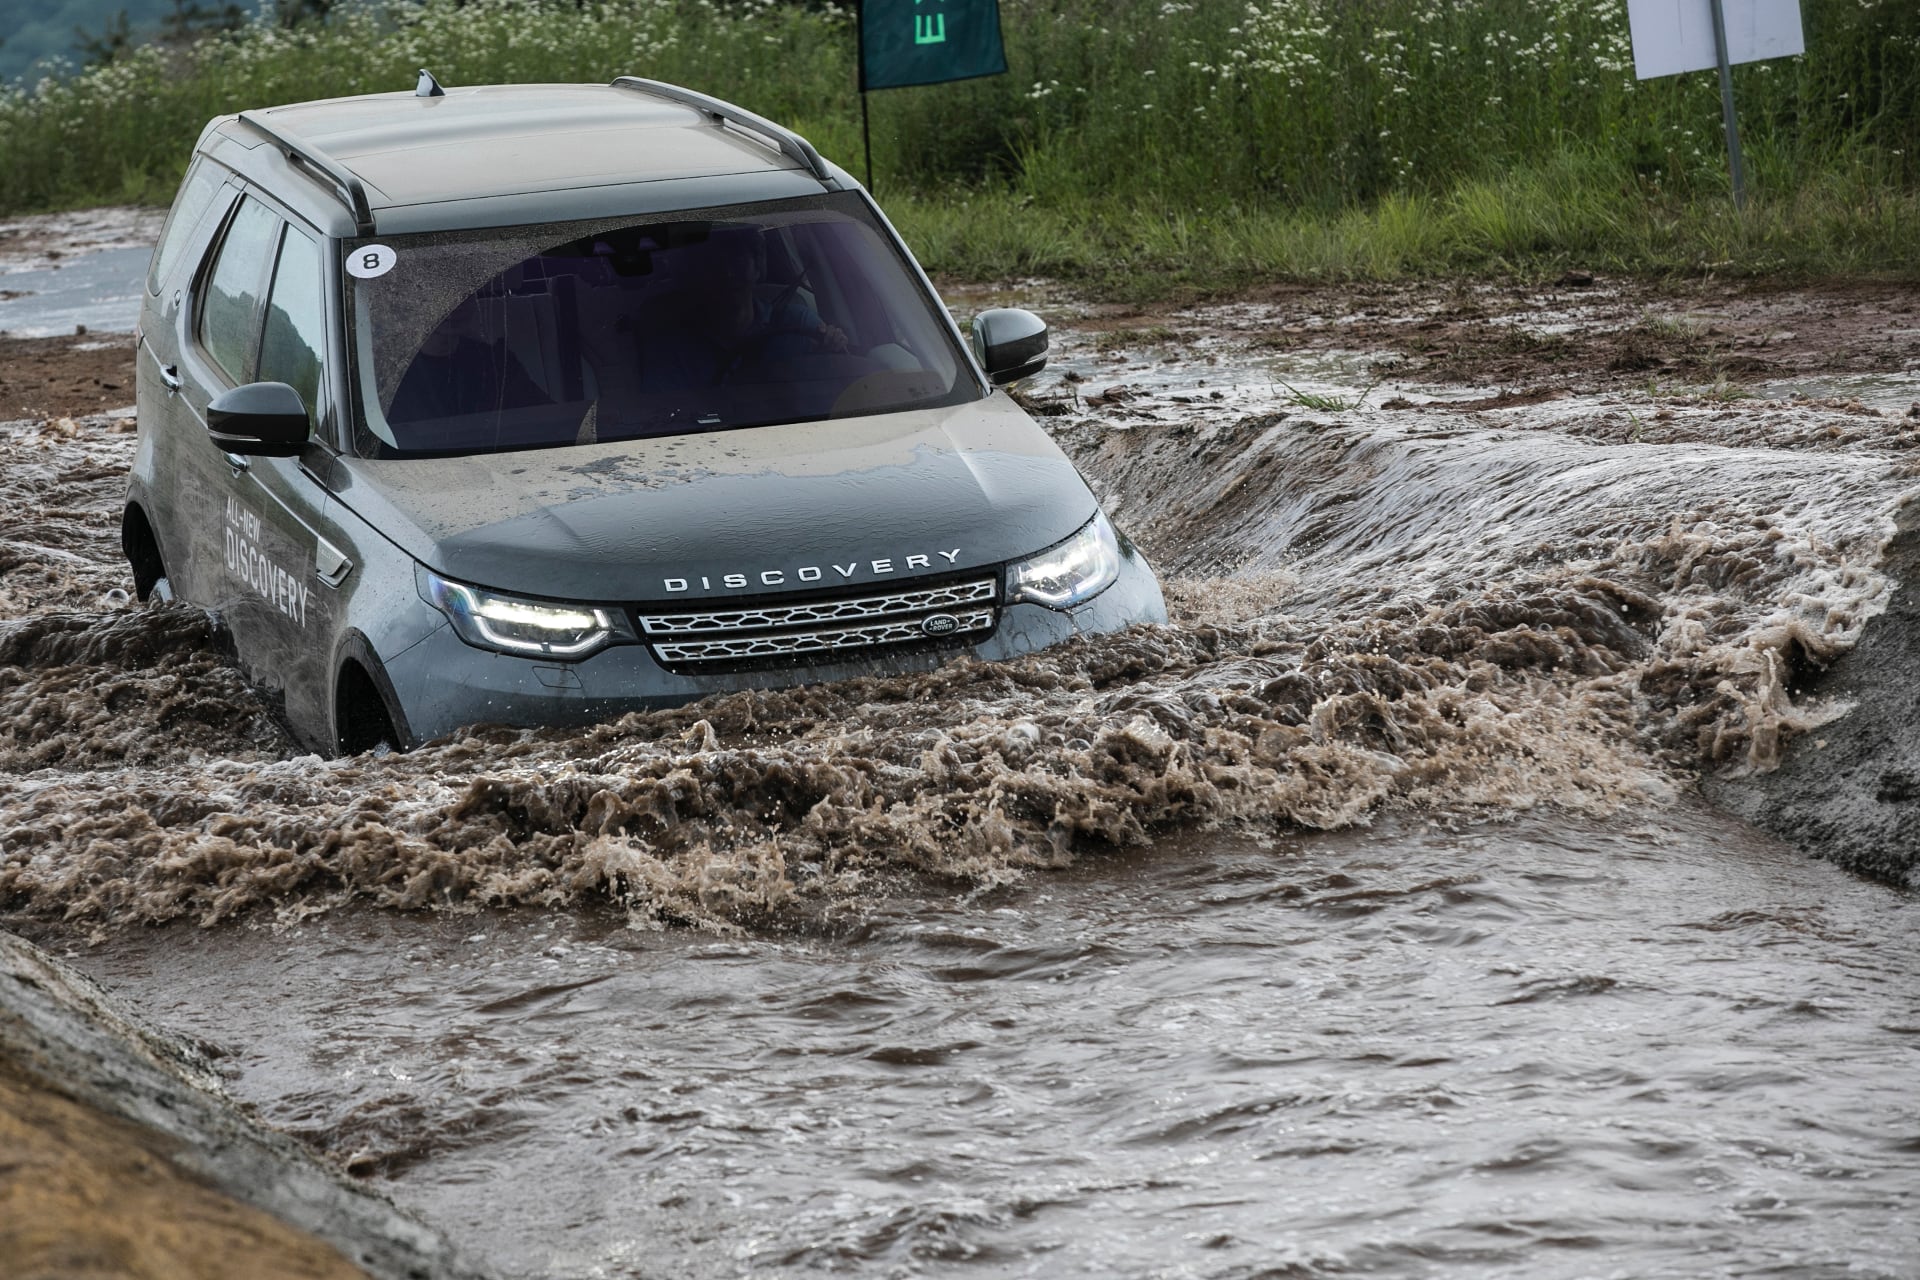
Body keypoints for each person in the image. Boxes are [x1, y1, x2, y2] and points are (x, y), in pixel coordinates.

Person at [386, 294, 551, 424]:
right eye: (440, 298)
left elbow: (543, 416)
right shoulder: (388, 373)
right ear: (413, 306)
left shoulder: (496, 362)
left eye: (465, 295)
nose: (455, 306)